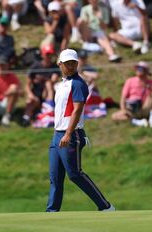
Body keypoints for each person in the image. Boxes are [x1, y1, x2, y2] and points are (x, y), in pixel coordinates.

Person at [46, 48, 115, 212]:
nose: (70, 66)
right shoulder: (62, 84)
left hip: (71, 134)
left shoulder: (78, 84)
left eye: (73, 63)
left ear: (77, 64)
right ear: (59, 64)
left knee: (75, 174)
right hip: (57, 135)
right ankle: (52, 211)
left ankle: (105, 206)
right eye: (67, 63)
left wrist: (68, 134)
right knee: (55, 177)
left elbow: (77, 110)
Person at [111, 61, 152, 128]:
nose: (138, 70)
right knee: (114, 116)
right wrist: (123, 109)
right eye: (137, 68)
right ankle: (138, 122)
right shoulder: (130, 81)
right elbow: (123, 97)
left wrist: (150, 87)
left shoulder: (151, 82)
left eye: (141, 68)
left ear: (146, 71)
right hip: (132, 109)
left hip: (145, 108)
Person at [22, 44, 60, 126]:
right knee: (30, 101)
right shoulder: (35, 66)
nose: (48, 56)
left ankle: (49, 109)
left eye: (50, 54)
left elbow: (54, 79)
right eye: (47, 54)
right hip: (37, 91)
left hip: (49, 92)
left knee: (48, 84)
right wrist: (30, 95)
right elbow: (27, 84)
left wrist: (43, 79)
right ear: (42, 55)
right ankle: (26, 117)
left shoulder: (54, 67)